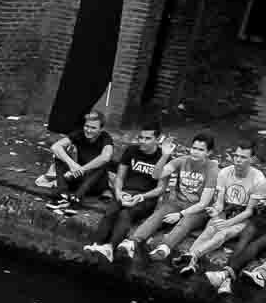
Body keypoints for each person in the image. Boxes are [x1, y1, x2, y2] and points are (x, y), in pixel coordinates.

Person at [182, 142, 266, 292]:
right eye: (236, 156)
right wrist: (216, 212)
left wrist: (227, 223)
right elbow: (220, 202)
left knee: (222, 233)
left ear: (252, 159)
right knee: (209, 230)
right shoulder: (225, 172)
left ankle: (193, 255)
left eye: (243, 157)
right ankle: (190, 263)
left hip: (242, 218)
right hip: (225, 212)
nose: (238, 160)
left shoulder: (259, 180)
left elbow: (249, 212)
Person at [82, 125, 170, 260]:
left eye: (147, 138)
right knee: (112, 210)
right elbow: (120, 176)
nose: (142, 141)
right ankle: (96, 244)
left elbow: (160, 189)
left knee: (125, 214)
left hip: (146, 197)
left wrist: (140, 197)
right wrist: (118, 192)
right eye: (141, 137)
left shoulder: (163, 157)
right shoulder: (131, 150)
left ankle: (110, 248)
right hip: (126, 192)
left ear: (157, 139)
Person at [137, 132, 219, 262]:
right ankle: (134, 241)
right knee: (160, 213)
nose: (195, 152)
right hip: (178, 203)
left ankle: (164, 248)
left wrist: (180, 214)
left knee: (185, 221)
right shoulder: (182, 160)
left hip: (199, 210)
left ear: (208, 153)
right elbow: (156, 175)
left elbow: (204, 203)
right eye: (194, 148)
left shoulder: (212, 168)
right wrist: (165, 156)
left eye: (200, 149)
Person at [38, 111, 114, 212]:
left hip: (95, 184)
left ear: (101, 129)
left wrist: (82, 169)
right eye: (87, 126)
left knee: (102, 163)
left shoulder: (105, 137)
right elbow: (55, 147)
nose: (88, 130)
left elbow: (106, 157)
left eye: (93, 128)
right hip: (78, 178)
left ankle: (77, 199)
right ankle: (62, 194)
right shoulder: (79, 134)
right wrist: (72, 165)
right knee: (59, 156)